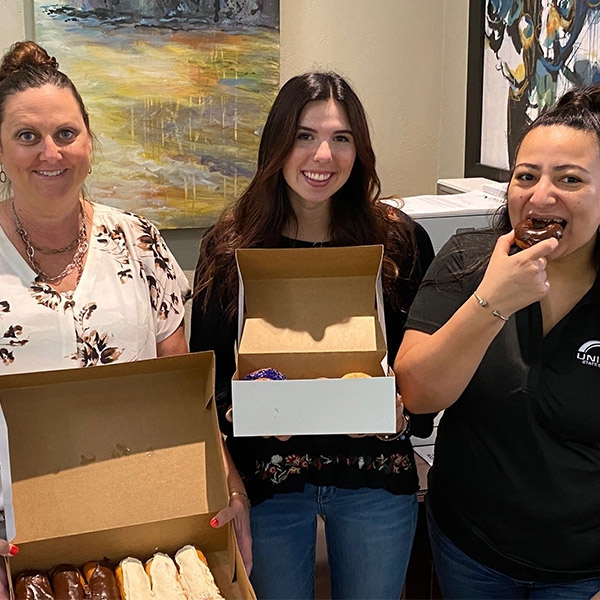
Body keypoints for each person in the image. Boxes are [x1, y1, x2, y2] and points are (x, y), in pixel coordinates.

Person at [0, 40, 250, 595]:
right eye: (27, 136)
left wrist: (227, 484)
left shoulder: (138, 241)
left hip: (144, 516)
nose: (51, 152)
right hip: (19, 536)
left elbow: (184, 392)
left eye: (66, 133)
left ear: (90, 140)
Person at [191, 71, 435, 599]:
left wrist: (406, 412)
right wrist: (244, 414)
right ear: (277, 144)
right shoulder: (229, 250)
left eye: (341, 138)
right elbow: (206, 386)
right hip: (268, 480)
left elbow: (422, 371)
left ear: (360, 150)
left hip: (375, 475)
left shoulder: (400, 244)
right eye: (304, 135)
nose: (322, 155)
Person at [394, 84, 600, 599]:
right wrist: (492, 301)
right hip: (470, 549)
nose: (540, 195)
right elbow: (416, 393)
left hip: (583, 571)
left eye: (570, 179)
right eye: (525, 176)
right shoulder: (468, 260)